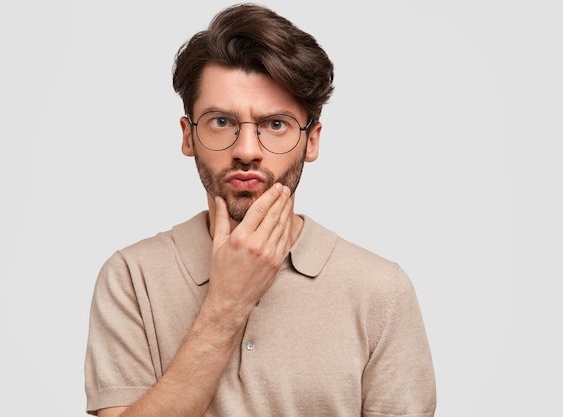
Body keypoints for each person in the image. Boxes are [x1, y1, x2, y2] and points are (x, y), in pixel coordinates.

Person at [84, 3, 436, 416]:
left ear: (312, 141)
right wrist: (226, 307)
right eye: (220, 122)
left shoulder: (381, 290)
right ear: (188, 136)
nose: (246, 150)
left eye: (275, 124)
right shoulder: (131, 276)